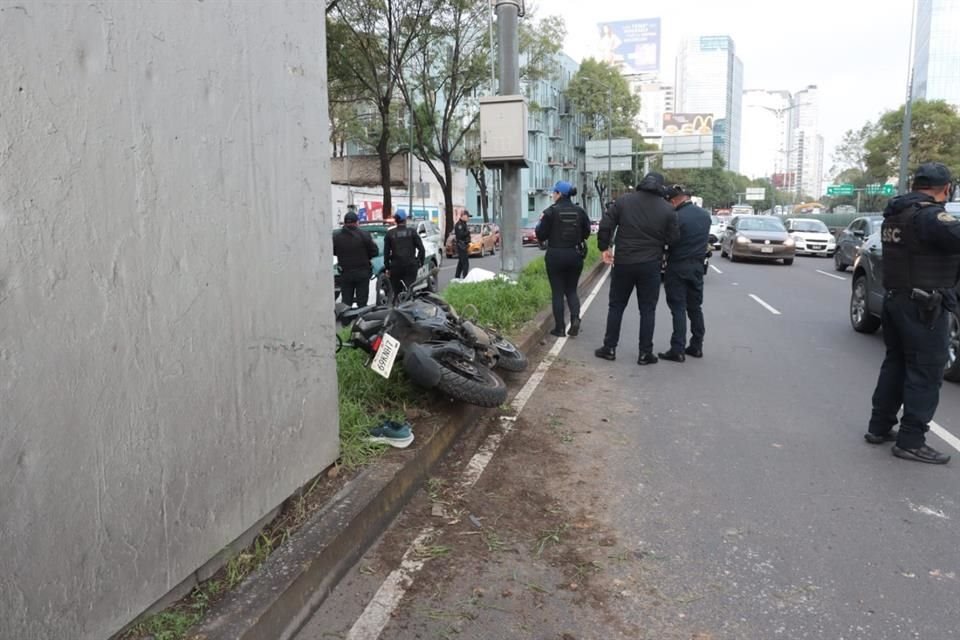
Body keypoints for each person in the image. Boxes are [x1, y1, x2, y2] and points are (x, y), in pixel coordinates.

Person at [865, 162, 960, 464]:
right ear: (946, 188)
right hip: (924, 306)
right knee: (926, 372)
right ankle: (911, 441)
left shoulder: (896, 213)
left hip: (896, 301)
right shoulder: (931, 216)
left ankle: (879, 426)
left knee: (896, 365)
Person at [595, 172, 679, 364]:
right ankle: (645, 353)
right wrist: (662, 248)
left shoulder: (624, 201)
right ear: (661, 186)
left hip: (624, 261)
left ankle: (609, 348)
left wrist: (604, 247)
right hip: (650, 264)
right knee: (647, 309)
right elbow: (674, 238)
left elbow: (606, 223)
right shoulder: (667, 209)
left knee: (616, 306)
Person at [658, 184, 712, 362]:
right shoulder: (705, 216)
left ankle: (677, 349)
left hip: (678, 265)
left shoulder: (676, 216)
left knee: (678, 308)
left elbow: (669, 241)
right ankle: (697, 346)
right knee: (695, 307)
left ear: (674, 200)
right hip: (697, 267)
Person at [536, 181, 591, 337]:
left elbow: (540, 234)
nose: (553, 195)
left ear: (559, 193)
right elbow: (587, 233)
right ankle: (575, 319)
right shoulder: (580, 211)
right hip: (575, 255)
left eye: (554, 193)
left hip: (555, 255)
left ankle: (559, 328)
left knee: (557, 292)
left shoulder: (550, 212)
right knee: (572, 290)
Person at [332, 211, 379, 307]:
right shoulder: (364, 235)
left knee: (346, 300)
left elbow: (334, 251)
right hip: (362, 272)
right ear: (357, 222)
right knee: (362, 300)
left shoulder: (336, 237)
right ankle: (360, 319)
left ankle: (346, 320)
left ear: (345, 223)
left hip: (346, 273)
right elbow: (375, 252)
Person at [383, 210, 425, 303]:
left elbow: (386, 252)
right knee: (409, 290)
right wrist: (419, 262)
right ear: (405, 220)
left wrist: (387, 267)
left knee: (397, 292)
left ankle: (397, 310)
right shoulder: (412, 232)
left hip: (396, 267)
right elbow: (421, 249)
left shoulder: (390, 234)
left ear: (395, 220)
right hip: (410, 266)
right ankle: (409, 308)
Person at [454, 210, 472, 279]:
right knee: (465, 263)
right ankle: (465, 278)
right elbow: (460, 235)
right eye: (467, 216)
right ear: (463, 216)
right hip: (461, 246)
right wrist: (468, 232)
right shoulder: (459, 225)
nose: (468, 218)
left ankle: (457, 277)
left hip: (464, 246)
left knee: (461, 263)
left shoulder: (464, 224)